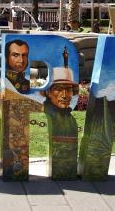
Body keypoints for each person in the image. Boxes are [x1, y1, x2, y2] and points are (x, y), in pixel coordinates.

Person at [39, 47, 79, 179]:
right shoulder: (50, 112)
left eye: (69, 90)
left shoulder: (70, 119)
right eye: (58, 89)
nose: (65, 95)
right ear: (48, 92)